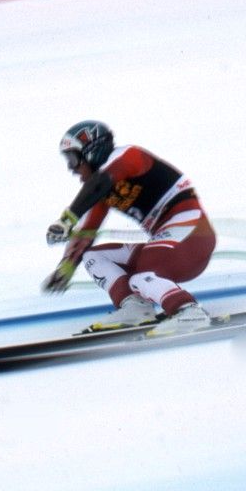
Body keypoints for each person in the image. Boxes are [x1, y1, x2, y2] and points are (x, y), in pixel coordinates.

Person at [42, 120, 217, 336]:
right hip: (172, 241)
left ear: (91, 153)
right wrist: (66, 268)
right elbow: (86, 233)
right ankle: (135, 308)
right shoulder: (100, 191)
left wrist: (67, 219)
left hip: (193, 234)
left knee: (142, 275)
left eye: (73, 159)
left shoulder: (129, 156)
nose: (71, 168)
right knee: (94, 257)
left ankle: (188, 310)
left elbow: (100, 181)